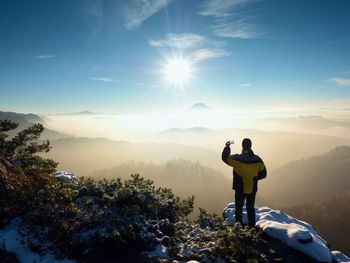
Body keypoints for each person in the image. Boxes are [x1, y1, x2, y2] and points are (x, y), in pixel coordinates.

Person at [222, 138, 267, 227]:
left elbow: (225, 157)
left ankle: (238, 229)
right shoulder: (257, 160)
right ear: (251, 146)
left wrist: (227, 147)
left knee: (238, 208)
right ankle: (251, 229)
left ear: (242, 146)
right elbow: (264, 174)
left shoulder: (237, 159)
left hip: (239, 187)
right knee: (250, 208)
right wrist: (255, 178)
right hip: (252, 188)